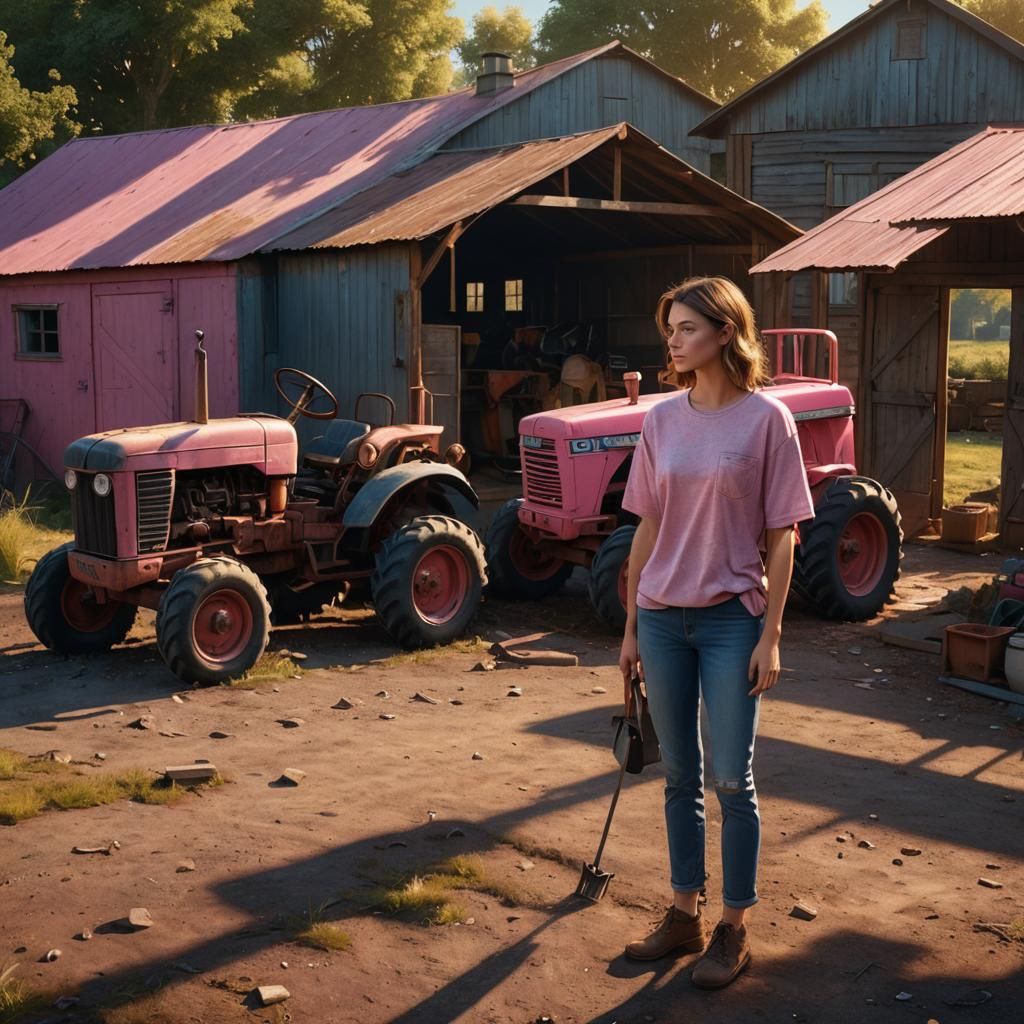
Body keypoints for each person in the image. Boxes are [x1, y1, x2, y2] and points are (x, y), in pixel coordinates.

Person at [618, 276, 814, 988]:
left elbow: (784, 534)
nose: (672, 340)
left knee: (733, 779)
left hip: (735, 620)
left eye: (687, 328)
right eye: (669, 327)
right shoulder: (662, 420)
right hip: (665, 618)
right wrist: (634, 625)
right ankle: (683, 915)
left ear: (725, 332)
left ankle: (733, 929)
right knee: (679, 776)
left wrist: (773, 634)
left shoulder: (768, 421)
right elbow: (647, 525)